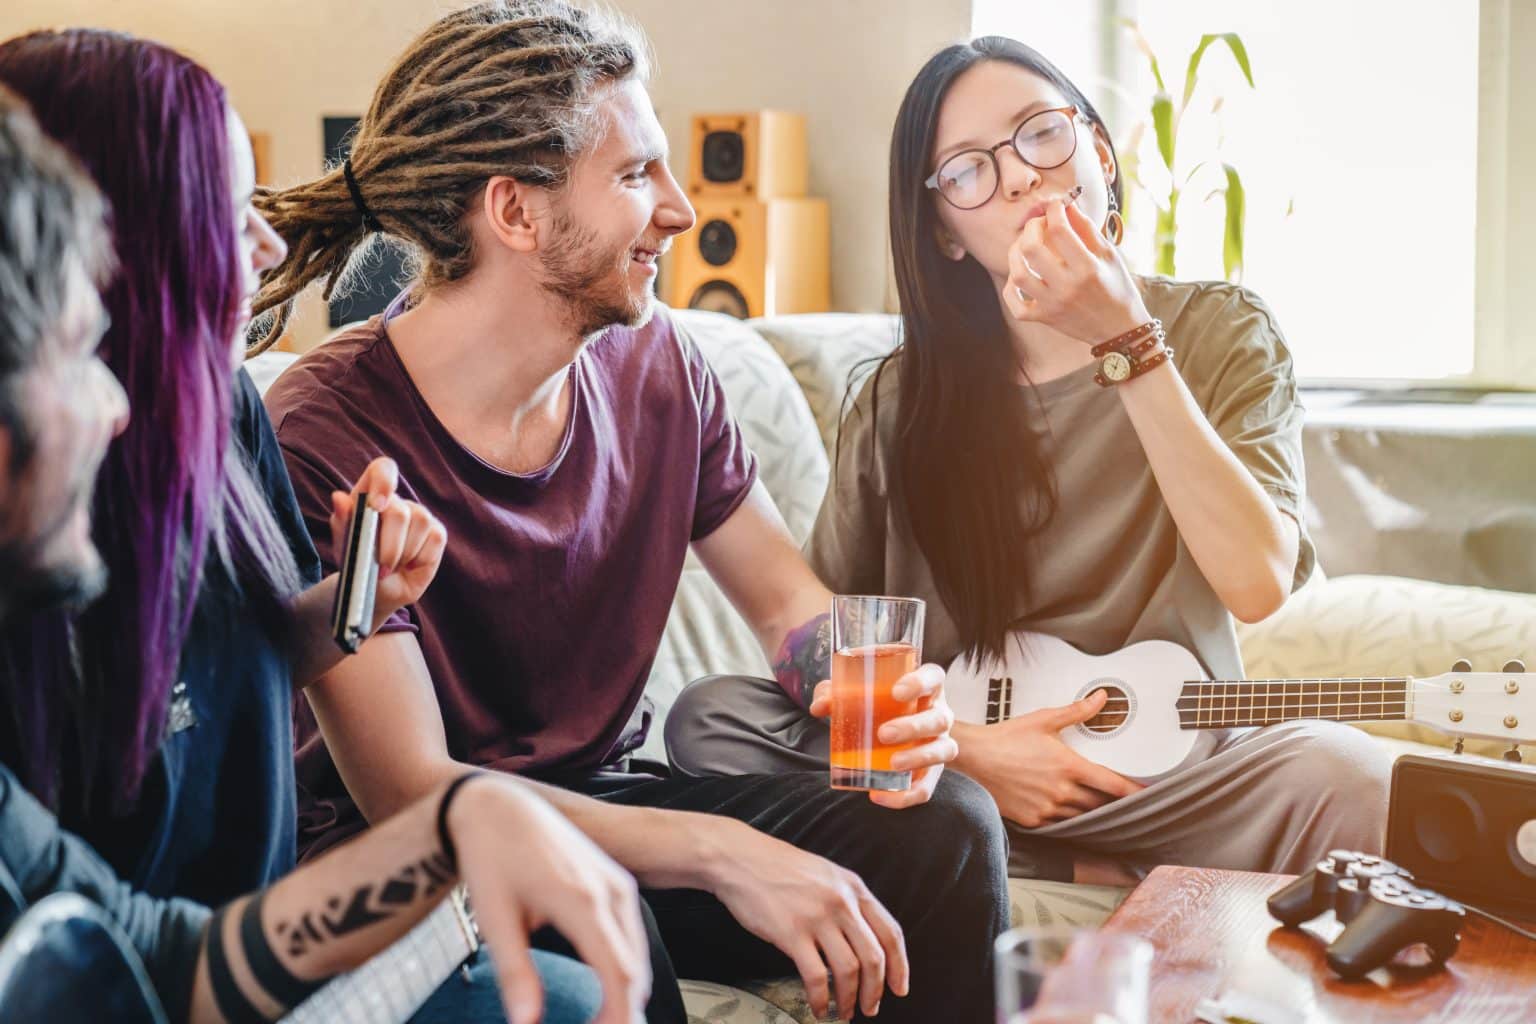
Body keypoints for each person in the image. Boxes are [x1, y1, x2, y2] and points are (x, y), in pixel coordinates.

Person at [256, 3, 1008, 1022]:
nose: (681, 209)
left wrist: (853, 682)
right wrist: (722, 849)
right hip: (414, 856)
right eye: (635, 174)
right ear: (516, 213)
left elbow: (785, 598)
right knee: (593, 914)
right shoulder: (325, 427)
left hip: (602, 802)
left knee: (947, 826)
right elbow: (412, 790)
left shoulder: (661, 368)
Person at [0, 33, 640, 1024]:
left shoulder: (228, 416)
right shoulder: (46, 565)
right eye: (228, 210)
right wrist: (457, 823)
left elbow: (165, 942)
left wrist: (355, 603)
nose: (262, 247)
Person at [667, 35, 1392, 887]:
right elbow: (834, 648)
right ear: (945, 232)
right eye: (968, 169)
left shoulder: (1223, 332)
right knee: (708, 720)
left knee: (1352, 774)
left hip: (1176, 780)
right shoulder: (900, 402)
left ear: (1100, 153)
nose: (1017, 175)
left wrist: (1128, 344)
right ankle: (1036, 847)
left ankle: (1057, 857)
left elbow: (1258, 583)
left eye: (1041, 133)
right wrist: (975, 756)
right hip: (961, 777)